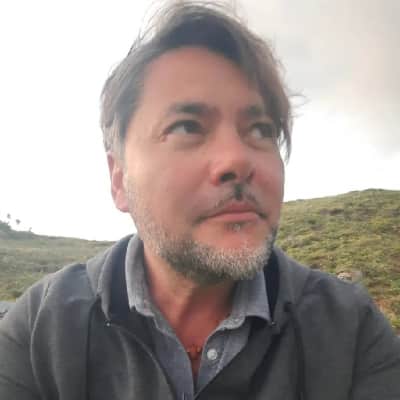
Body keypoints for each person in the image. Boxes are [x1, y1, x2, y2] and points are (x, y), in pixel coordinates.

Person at [1, 2, 399, 399]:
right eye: (187, 126)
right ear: (119, 178)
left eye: (261, 130)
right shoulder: (40, 333)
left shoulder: (352, 332)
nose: (238, 159)